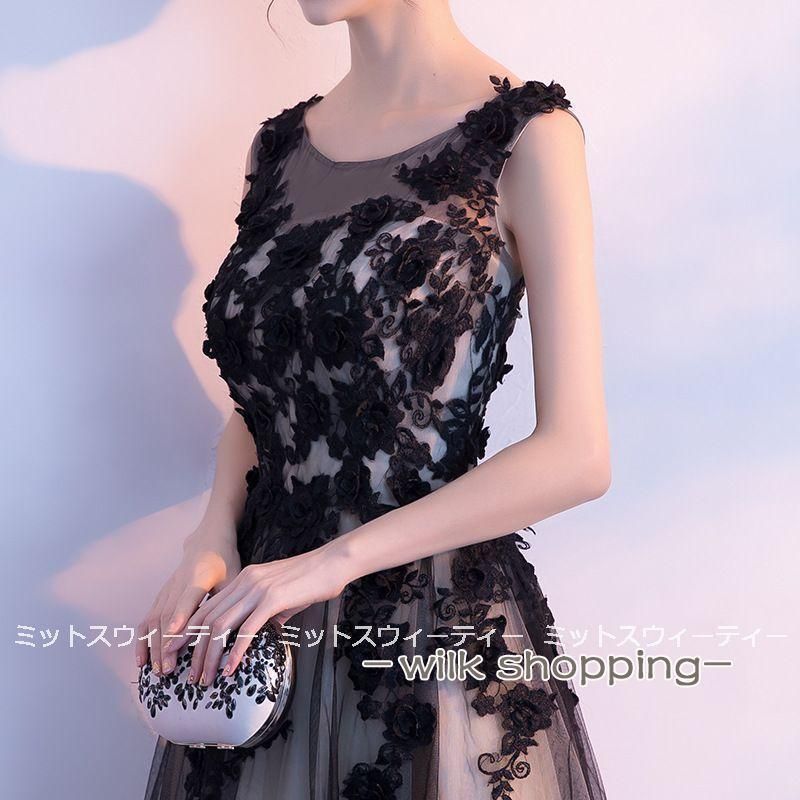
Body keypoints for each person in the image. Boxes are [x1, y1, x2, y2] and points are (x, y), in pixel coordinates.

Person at [138, 1, 610, 797]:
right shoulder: (277, 148)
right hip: (263, 621)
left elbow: (579, 455)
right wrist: (211, 533)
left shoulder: (528, 138)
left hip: (428, 627)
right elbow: (273, 393)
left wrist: (333, 563)